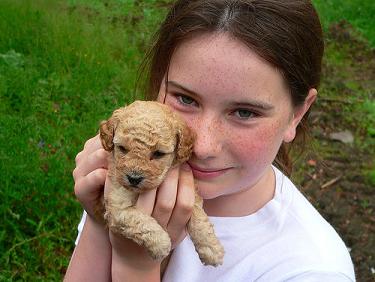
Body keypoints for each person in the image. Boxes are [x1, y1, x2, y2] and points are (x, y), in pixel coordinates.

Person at [65, 0, 355, 281]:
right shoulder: (136, 173)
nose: (202, 146)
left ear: (297, 114)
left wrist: (136, 267)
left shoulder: (309, 270)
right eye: (185, 98)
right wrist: (98, 220)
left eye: (245, 112)